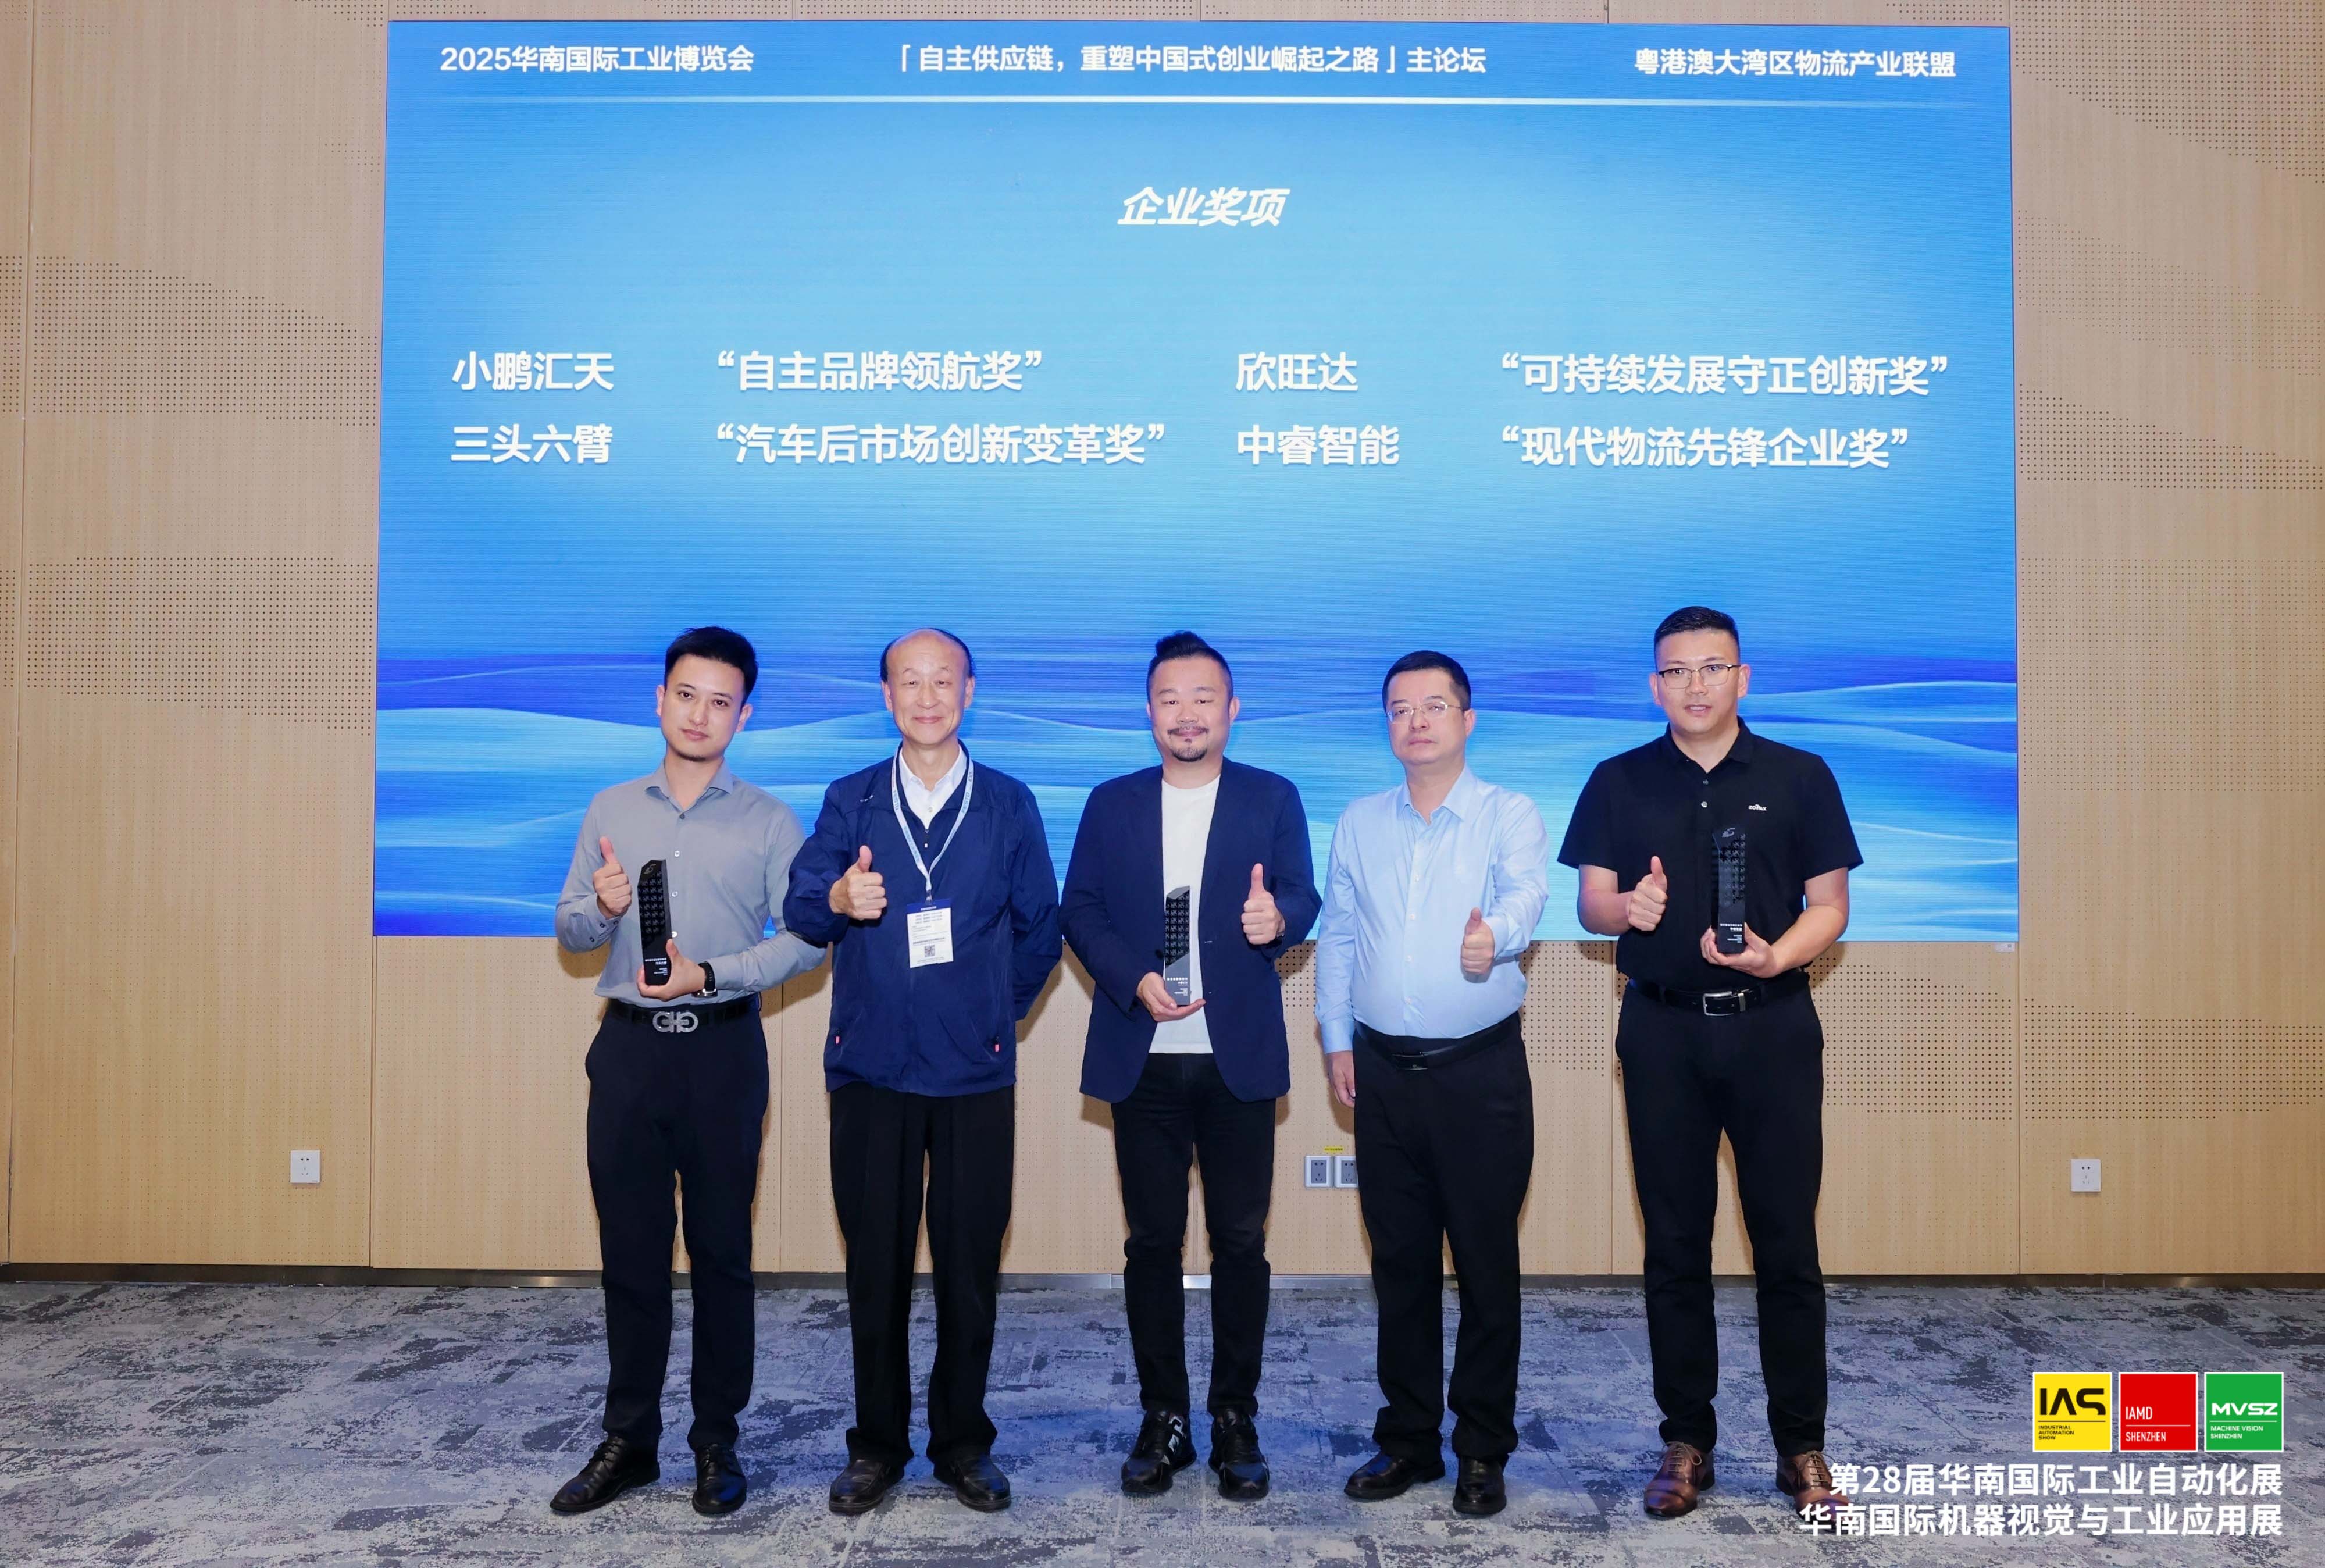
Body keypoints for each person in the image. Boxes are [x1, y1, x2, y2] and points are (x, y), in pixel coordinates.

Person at [1557, 605, 1860, 1521]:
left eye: (1711, 667)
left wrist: (1776, 957)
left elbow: (1829, 904)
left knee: (1787, 1245)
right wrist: (1627, 910)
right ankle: (1685, 1441)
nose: (1694, 685)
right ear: (1654, 686)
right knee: (1675, 1245)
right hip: (1661, 1033)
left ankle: (1800, 1447)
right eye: (1676, 671)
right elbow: (1590, 904)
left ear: (1742, 678)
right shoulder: (1616, 780)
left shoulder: (1800, 775)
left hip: (1773, 1030)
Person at [782, 628, 1062, 1516]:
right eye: (910, 681)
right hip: (871, 1070)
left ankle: (962, 1444)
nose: (928, 696)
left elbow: (1041, 929)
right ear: (886, 696)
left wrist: (988, 1015)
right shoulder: (852, 799)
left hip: (974, 1076)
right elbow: (803, 909)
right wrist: (838, 898)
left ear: (969, 692)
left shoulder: (1008, 802)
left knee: (969, 1269)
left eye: (944, 681)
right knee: (875, 1269)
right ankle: (875, 1446)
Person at [548, 626, 824, 1519]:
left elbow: (805, 940)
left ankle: (716, 1441)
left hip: (721, 1054)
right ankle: (629, 1440)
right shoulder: (610, 808)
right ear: (659, 700)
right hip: (629, 1052)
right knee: (630, 1256)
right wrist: (601, 908)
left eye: (720, 701)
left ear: (744, 716)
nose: (700, 714)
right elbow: (571, 930)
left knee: (720, 1256)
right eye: (685, 695)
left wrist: (714, 974)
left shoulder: (771, 821)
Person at [1060, 632, 1321, 1500]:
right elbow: (1079, 909)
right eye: (1170, 699)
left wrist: (1277, 920)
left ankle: (1234, 1416)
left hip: (1235, 1056)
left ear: (1231, 709)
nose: (1186, 714)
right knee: (1151, 1244)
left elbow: (1302, 895)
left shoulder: (1272, 796)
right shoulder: (1111, 803)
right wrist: (1132, 978)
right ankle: (1163, 1416)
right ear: (1149, 712)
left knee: (1241, 1242)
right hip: (1144, 1059)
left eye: (1203, 697)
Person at [1315, 649, 1550, 1519]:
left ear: (1467, 719)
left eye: (1434, 706)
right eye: (1399, 709)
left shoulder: (1507, 813)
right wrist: (1336, 1038)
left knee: (1486, 1266)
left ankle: (1482, 1448)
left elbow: (1527, 894)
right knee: (1401, 1266)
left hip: (1478, 1074)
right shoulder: (1358, 822)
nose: (1415, 722)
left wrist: (1499, 936)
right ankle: (1408, 1440)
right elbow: (1340, 937)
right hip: (1381, 1070)